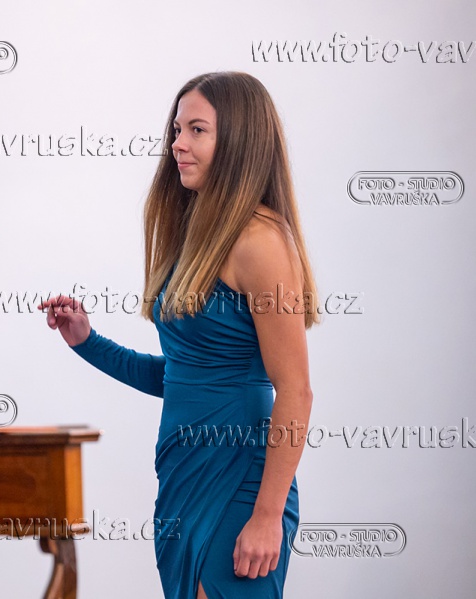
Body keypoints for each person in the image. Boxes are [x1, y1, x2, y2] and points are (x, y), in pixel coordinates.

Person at [41, 71, 318, 599]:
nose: (177, 144)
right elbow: (182, 376)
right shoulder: (199, 234)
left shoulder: (261, 241)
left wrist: (266, 516)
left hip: (240, 482)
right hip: (183, 478)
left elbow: (296, 391)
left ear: (238, 141)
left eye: (197, 130)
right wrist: (87, 341)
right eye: (176, 129)